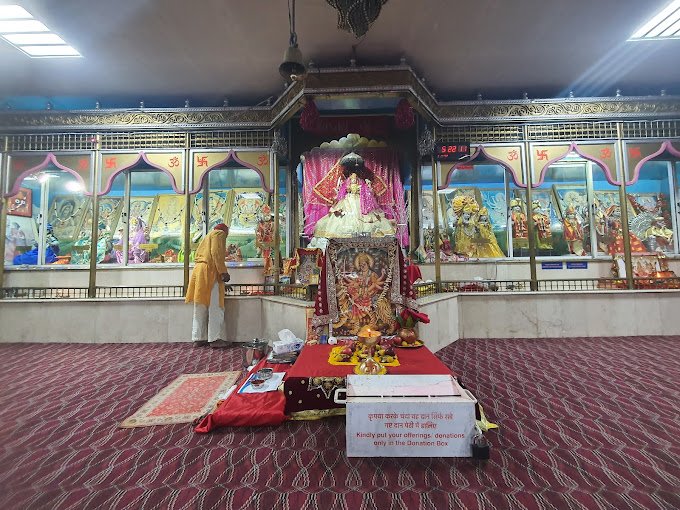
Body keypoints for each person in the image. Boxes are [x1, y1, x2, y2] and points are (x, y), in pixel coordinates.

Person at [313, 152, 396, 240]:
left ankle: (362, 235)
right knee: (343, 217)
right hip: (347, 201)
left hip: (359, 201)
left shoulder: (362, 182)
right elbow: (341, 192)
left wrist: (365, 189)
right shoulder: (345, 182)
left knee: (364, 218)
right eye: (352, 178)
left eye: (355, 178)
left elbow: (366, 192)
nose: (353, 179)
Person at [185, 223, 231, 348]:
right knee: (215, 306)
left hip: (199, 272)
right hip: (210, 272)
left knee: (200, 305)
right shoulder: (219, 234)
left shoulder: (208, 235)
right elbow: (216, 253)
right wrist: (223, 272)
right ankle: (214, 339)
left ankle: (198, 338)